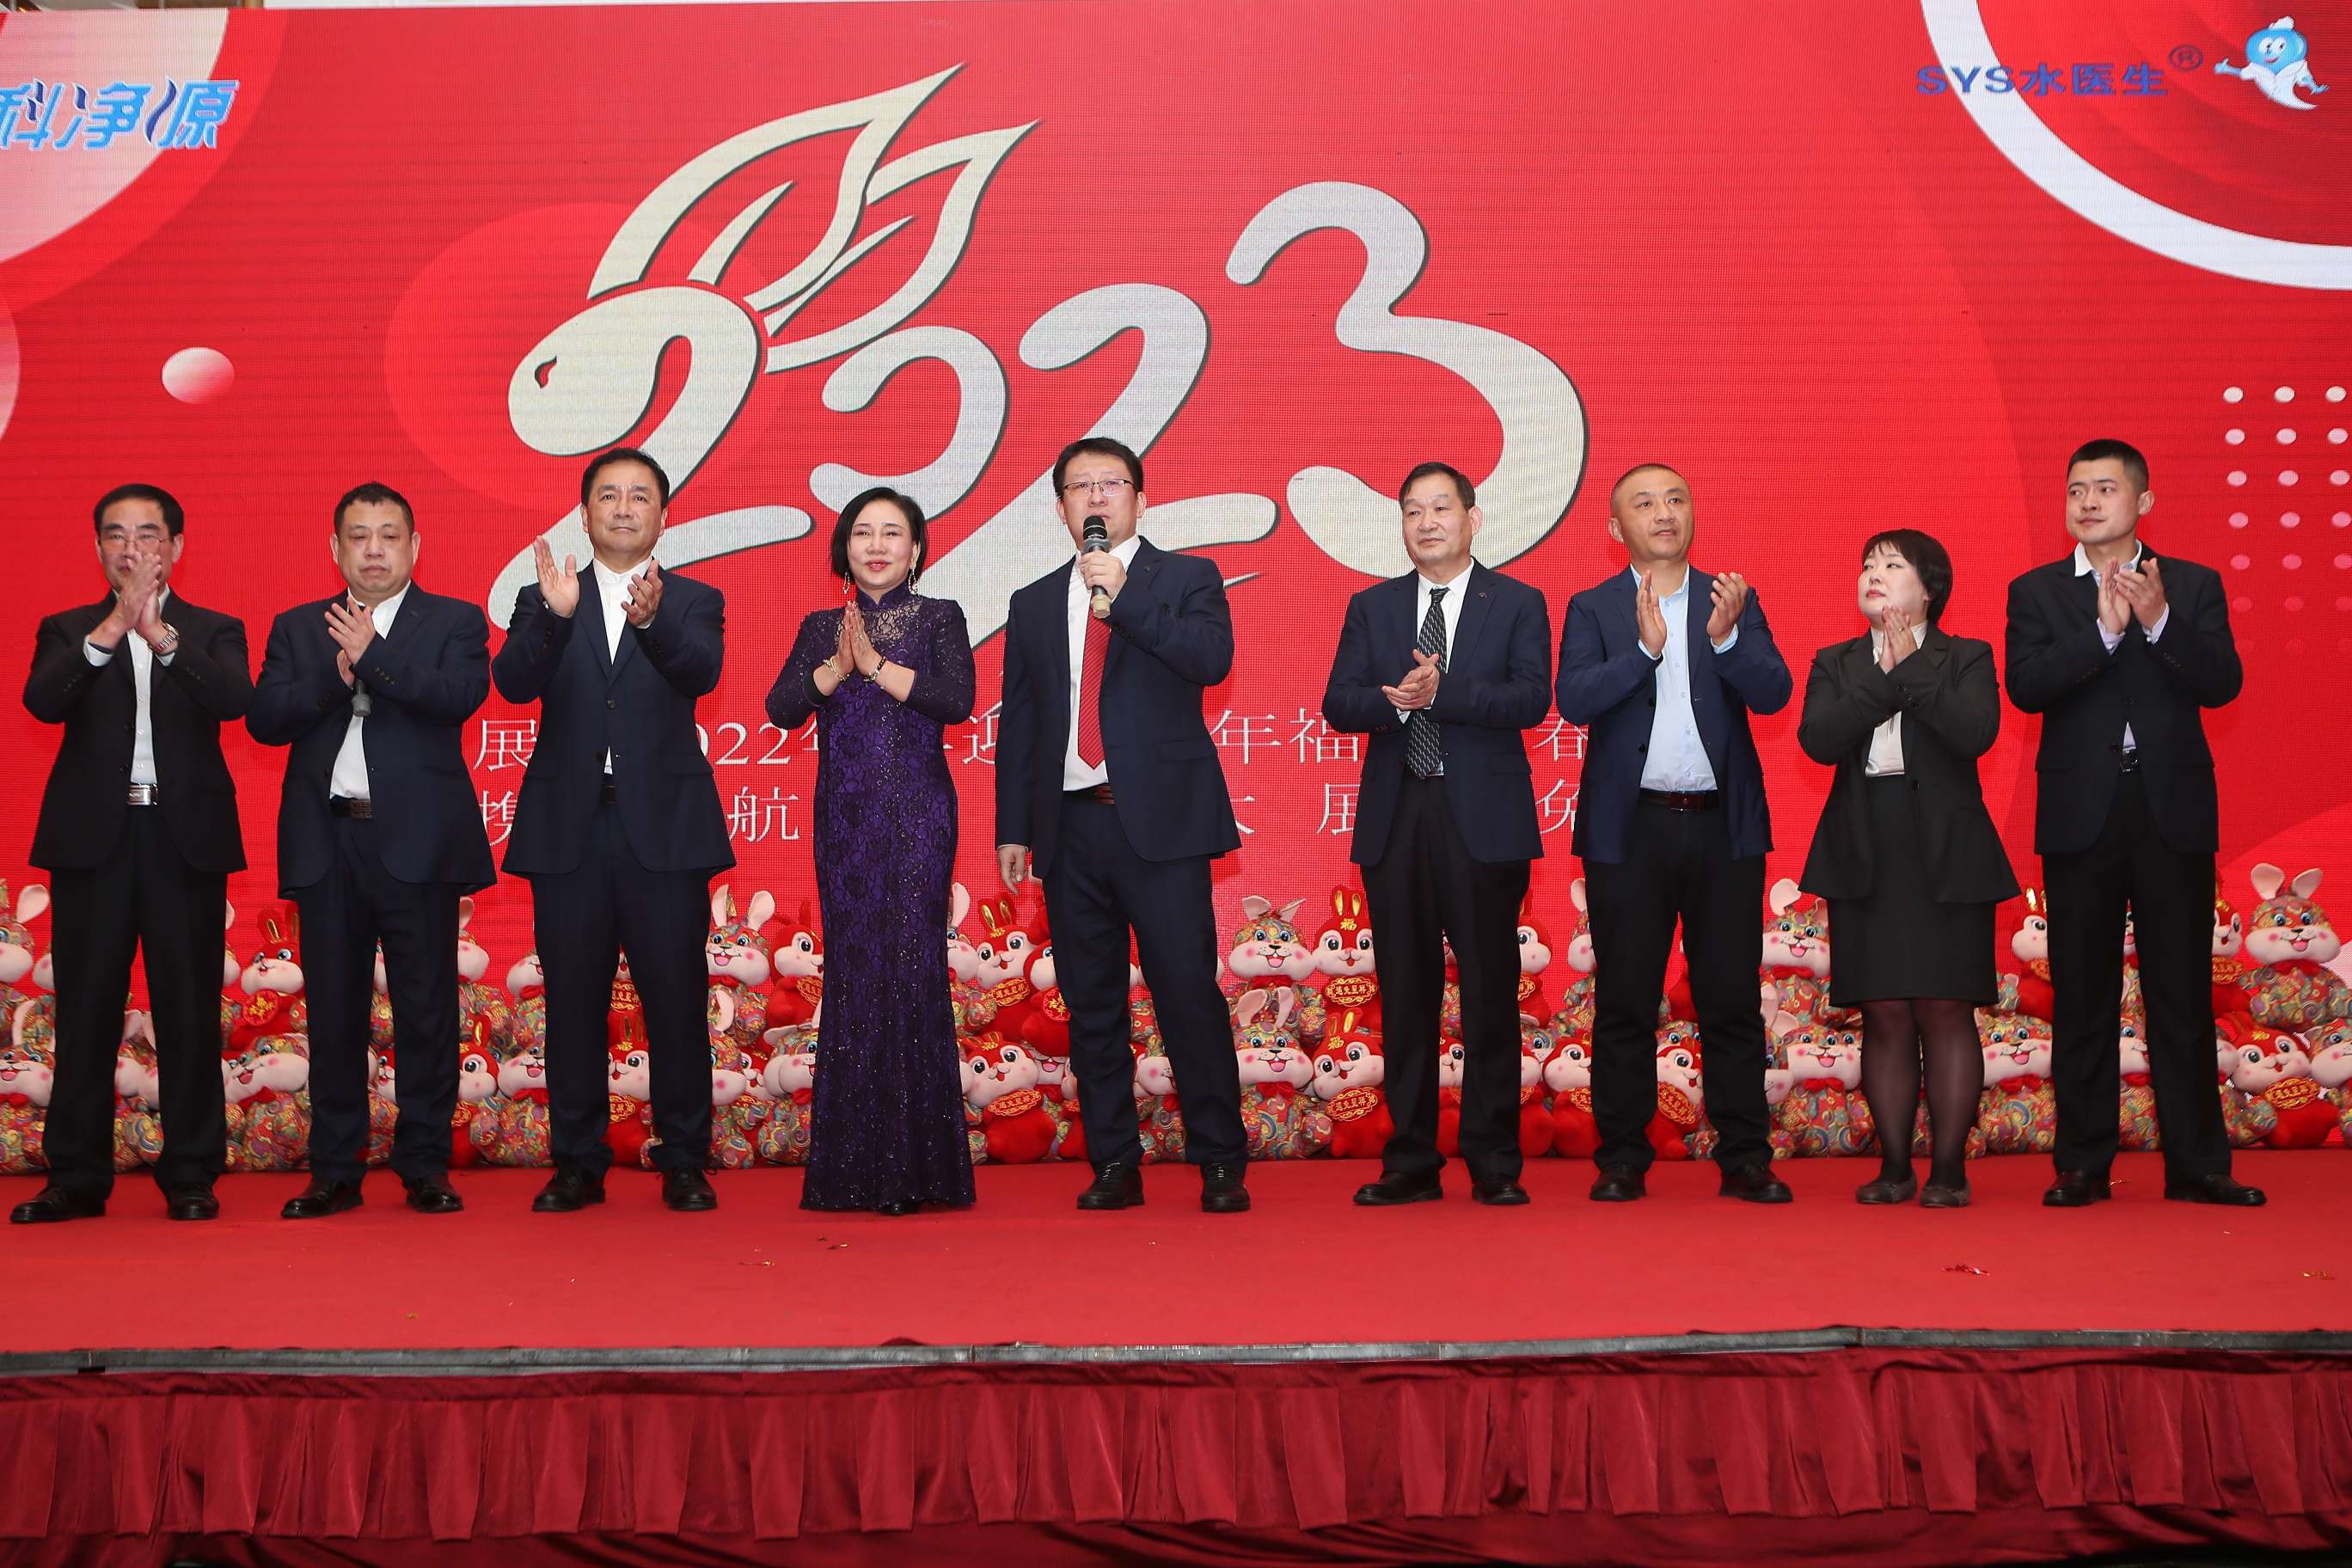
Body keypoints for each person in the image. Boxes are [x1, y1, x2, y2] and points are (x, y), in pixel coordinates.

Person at [2005, 438, 2260, 1208]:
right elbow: (2027, 686)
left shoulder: (2191, 584)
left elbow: (2222, 682)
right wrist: (2105, 634)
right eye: (2076, 489)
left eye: (2105, 488)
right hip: (2080, 814)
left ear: (2143, 502)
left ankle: (2198, 1165)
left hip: (2169, 811)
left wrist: (2158, 621)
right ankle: (2082, 1164)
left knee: (2180, 995)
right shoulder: (2037, 591)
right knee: (2083, 995)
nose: (2087, 502)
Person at [995, 437, 1248, 1213]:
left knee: (1186, 995)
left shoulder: (1187, 578)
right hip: (1071, 830)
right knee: (1092, 1005)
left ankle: (1219, 1158)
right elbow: (1023, 721)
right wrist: (1014, 826)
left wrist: (1124, 596)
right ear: (1061, 507)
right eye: (1081, 487)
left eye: (1112, 484)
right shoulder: (1034, 601)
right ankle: (1113, 1162)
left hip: (1162, 827)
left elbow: (1210, 659)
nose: (1097, 497)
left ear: (1141, 498)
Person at [492, 447, 732, 1214]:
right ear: (585, 511)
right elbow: (512, 682)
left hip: (665, 830)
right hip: (570, 826)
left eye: (639, 496)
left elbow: (699, 673)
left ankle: (684, 1158)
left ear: (663, 515)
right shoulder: (543, 597)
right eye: (608, 495)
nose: (624, 508)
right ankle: (578, 1161)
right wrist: (555, 618)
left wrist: (653, 623)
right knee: (572, 1001)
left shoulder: (693, 599)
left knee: (675, 998)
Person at [247, 482, 495, 1218]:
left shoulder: (453, 621)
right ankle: (334, 1169)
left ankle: (424, 1165)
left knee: (425, 1009)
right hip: (328, 841)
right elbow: (265, 719)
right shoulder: (299, 628)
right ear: (335, 548)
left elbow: (457, 697)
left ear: (415, 546)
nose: (375, 550)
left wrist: (374, 657)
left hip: (417, 843)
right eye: (359, 536)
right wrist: (335, 674)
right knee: (333, 1011)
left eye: (389, 535)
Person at [13, 485, 251, 1225]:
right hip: (94, 841)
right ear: (97, 549)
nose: (132, 548)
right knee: (87, 1010)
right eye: (116, 535)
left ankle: (191, 1173)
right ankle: (77, 1177)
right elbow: (43, 702)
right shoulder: (67, 629)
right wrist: (118, 624)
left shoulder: (214, 628)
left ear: (175, 547)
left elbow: (233, 699)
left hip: (183, 842)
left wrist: (160, 635)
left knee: (188, 1010)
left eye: (148, 534)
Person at [1556, 462, 1793, 1204]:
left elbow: (1775, 691)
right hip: (1631, 831)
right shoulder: (1594, 607)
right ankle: (1623, 1158)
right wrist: (1644, 652)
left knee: (1730, 998)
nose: (1664, 513)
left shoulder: (1730, 598)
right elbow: (1574, 698)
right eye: (1644, 503)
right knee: (1626, 1000)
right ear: (1615, 527)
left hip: (1721, 829)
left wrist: (1725, 640)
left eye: (1676, 499)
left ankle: (1745, 1157)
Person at [1320, 462, 1553, 1206]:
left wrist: (1442, 692)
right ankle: (1411, 1160)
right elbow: (1338, 702)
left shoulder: (1516, 602)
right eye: (1413, 511)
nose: (1427, 523)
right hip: (1399, 816)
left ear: (1472, 518)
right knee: (1406, 993)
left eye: (1441, 508)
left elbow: (1531, 699)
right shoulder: (1373, 606)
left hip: (1483, 818)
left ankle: (1494, 1162)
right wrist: (1395, 703)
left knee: (1489, 992)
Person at [768, 487, 977, 1216]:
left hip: (919, 817)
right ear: (845, 549)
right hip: (845, 822)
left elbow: (957, 701)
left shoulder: (940, 617)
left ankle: (919, 1170)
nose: (877, 545)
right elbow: (782, 708)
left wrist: (876, 665)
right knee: (855, 975)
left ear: (915, 549)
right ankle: (850, 1171)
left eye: (893, 533)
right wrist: (837, 666)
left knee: (911, 971)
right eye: (863, 533)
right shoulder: (821, 625)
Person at [1796, 530, 2017, 1207]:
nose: (1874, 573)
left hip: (1948, 849)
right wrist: (1884, 673)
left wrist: (1912, 665)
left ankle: (1948, 1170)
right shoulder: (1836, 661)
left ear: (1929, 590)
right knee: (1885, 1011)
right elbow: (1818, 738)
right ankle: (1894, 1168)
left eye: (1892, 565)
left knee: (1946, 1008)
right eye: (1867, 564)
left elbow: (1974, 733)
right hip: (1866, 846)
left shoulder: (1967, 656)